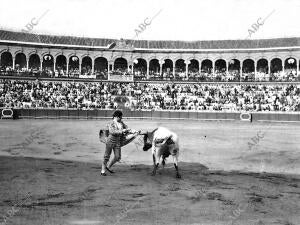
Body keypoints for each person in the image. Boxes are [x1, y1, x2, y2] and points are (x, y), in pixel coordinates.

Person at [101, 110, 139, 176]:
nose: (121, 118)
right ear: (116, 117)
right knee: (106, 156)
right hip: (110, 140)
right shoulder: (111, 123)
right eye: (120, 117)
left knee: (117, 157)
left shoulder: (121, 122)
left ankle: (108, 167)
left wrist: (134, 131)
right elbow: (112, 132)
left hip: (117, 141)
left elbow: (127, 128)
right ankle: (103, 170)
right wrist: (122, 131)